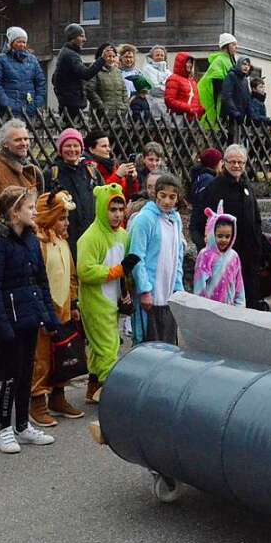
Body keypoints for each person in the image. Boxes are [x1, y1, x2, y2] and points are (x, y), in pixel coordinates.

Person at [0, 187, 58, 454]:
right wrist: (2, 326)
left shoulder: (31, 239)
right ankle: (5, 430)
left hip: (30, 317)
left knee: (26, 374)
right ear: (14, 211)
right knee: (11, 376)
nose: (35, 212)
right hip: (11, 321)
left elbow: (40, 280)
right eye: (30, 207)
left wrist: (48, 316)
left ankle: (23, 426)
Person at [77, 184, 138, 402]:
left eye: (121, 210)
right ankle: (111, 393)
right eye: (113, 210)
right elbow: (85, 270)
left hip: (112, 299)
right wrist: (116, 271)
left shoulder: (122, 235)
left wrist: (126, 288)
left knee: (98, 347)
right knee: (108, 347)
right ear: (103, 209)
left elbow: (125, 268)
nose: (118, 215)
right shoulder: (90, 237)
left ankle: (93, 389)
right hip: (95, 302)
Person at [30, 189, 85, 425]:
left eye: (67, 218)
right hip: (45, 308)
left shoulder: (62, 242)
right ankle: (37, 401)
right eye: (61, 218)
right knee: (41, 357)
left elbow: (71, 275)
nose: (66, 223)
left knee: (63, 352)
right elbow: (34, 279)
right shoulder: (37, 244)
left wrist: (73, 303)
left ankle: (58, 396)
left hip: (63, 307)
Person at [198, 145, 266, 310]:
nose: (237, 166)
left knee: (248, 299)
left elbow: (256, 218)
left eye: (241, 162)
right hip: (224, 256)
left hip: (249, 256)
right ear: (225, 163)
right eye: (233, 162)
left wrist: (259, 247)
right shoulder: (214, 188)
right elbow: (201, 221)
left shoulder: (246, 186)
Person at [127, 173, 185, 345]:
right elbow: (137, 256)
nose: (167, 201)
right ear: (155, 194)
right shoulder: (144, 219)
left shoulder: (175, 219)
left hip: (168, 294)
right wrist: (145, 290)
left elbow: (177, 255)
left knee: (167, 343)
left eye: (172, 197)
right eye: (163, 195)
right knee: (148, 343)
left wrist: (178, 288)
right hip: (151, 294)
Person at [45, 127, 98, 261]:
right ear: (60, 149)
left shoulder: (90, 172)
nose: (72, 150)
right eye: (68, 146)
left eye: (76, 145)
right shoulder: (51, 174)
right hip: (64, 236)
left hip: (90, 235)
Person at [0, 119, 44, 221]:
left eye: (26, 139)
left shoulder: (25, 168)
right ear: (5, 144)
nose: (24, 143)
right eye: (17, 140)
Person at [194, 204, 245, 307]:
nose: (224, 240)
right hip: (210, 309)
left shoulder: (234, 256)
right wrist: (201, 308)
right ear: (212, 234)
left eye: (227, 236)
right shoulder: (205, 255)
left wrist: (240, 305)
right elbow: (199, 284)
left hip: (230, 308)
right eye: (220, 236)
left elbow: (239, 282)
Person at [0, 27, 46, 117]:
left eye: (24, 42)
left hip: (29, 109)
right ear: (11, 42)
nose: (22, 45)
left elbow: (40, 83)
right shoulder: (1, 59)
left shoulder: (33, 60)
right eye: (18, 41)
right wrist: (6, 104)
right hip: (8, 111)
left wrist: (35, 104)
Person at [51, 24, 104, 118]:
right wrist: (102, 60)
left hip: (69, 101)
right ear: (73, 37)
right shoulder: (70, 55)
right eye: (81, 36)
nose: (85, 39)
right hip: (72, 103)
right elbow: (86, 74)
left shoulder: (66, 53)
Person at [83, 129, 139, 199]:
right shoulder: (88, 168)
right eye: (104, 146)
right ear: (91, 149)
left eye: (108, 146)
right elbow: (98, 194)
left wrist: (132, 180)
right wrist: (117, 176)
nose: (108, 149)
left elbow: (127, 196)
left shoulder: (112, 165)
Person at [198, 33, 238, 129]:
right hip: (216, 101)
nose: (236, 47)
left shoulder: (231, 61)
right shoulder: (219, 60)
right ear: (226, 46)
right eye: (233, 44)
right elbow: (217, 81)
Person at [189, 148, 224, 251]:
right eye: (221, 161)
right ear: (215, 163)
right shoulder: (209, 181)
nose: (222, 164)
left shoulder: (199, 177)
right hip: (203, 229)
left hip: (196, 227)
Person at [85, 43, 127, 118]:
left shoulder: (117, 71)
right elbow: (90, 91)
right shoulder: (94, 70)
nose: (111, 59)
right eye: (109, 56)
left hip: (119, 115)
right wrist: (102, 107)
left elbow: (124, 90)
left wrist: (124, 107)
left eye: (113, 56)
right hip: (101, 116)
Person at [163, 52, 204, 122]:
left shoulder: (192, 82)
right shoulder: (173, 79)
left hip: (193, 119)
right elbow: (169, 100)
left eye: (191, 63)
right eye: (187, 62)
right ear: (180, 63)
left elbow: (196, 100)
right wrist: (188, 108)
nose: (190, 65)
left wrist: (200, 110)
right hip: (179, 118)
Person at [220, 56, 253, 124]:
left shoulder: (245, 80)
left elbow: (247, 98)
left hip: (241, 116)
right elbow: (226, 96)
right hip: (230, 116)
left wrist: (249, 113)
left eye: (248, 65)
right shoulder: (231, 76)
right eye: (244, 64)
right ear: (238, 64)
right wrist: (235, 112)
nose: (246, 67)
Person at [141, 45, 170, 120]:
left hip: (167, 109)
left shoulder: (168, 72)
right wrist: (168, 90)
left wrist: (164, 87)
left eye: (162, 55)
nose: (160, 57)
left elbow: (173, 87)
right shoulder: (147, 69)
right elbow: (153, 89)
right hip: (153, 107)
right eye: (157, 55)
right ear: (152, 57)